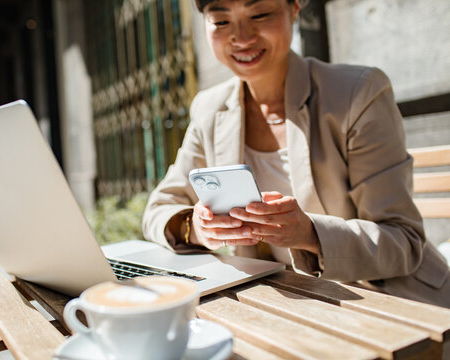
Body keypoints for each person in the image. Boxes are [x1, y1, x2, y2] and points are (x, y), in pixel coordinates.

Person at [142, 0, 450, 308]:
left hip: (390, 303)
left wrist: (309, 234)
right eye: (221, 21)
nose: (241, 37)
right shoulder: (210, 109)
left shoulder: (357, 94)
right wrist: (196, 228)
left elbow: (403, 242)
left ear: (294, 8)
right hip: (287, 305)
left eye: (259, 14)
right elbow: (159, 209)